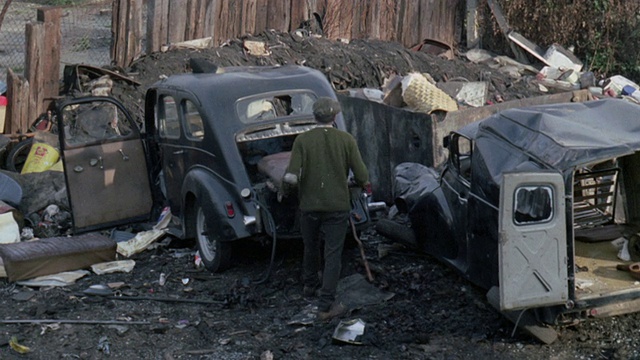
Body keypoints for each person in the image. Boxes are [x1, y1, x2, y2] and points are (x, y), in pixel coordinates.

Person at [282, 97, 369, 315]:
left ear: (314, 116)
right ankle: (326, 302)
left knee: (310, 247)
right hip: (337, 208)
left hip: (309, 207)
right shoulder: (346, 139)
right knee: (333, 253)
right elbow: (362, 175)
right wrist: (356, 184)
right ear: (335, 116)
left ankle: (309, 286)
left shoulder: (303, 140)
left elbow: (291, 178)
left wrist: (285, 192)